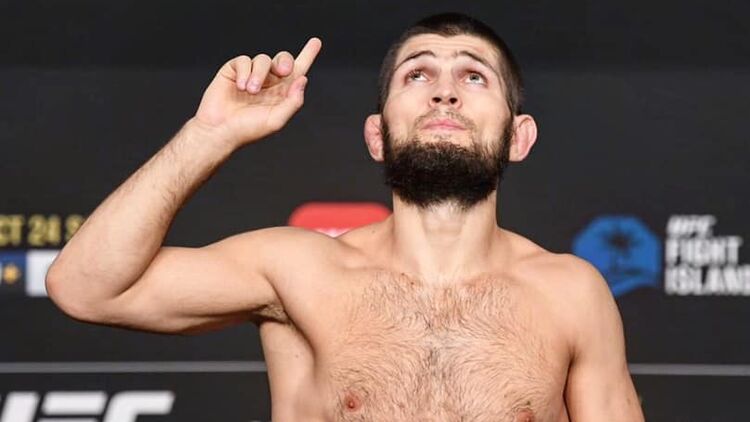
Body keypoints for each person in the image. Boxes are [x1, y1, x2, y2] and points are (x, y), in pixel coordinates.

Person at [46, 12, 645, 422]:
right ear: (377, 136)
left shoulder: (571, 293)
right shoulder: (299, 270)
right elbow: (86, 289)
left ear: (519, 136)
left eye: (473, 75)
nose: (444, 92)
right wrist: (210, 134)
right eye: (418, 74)